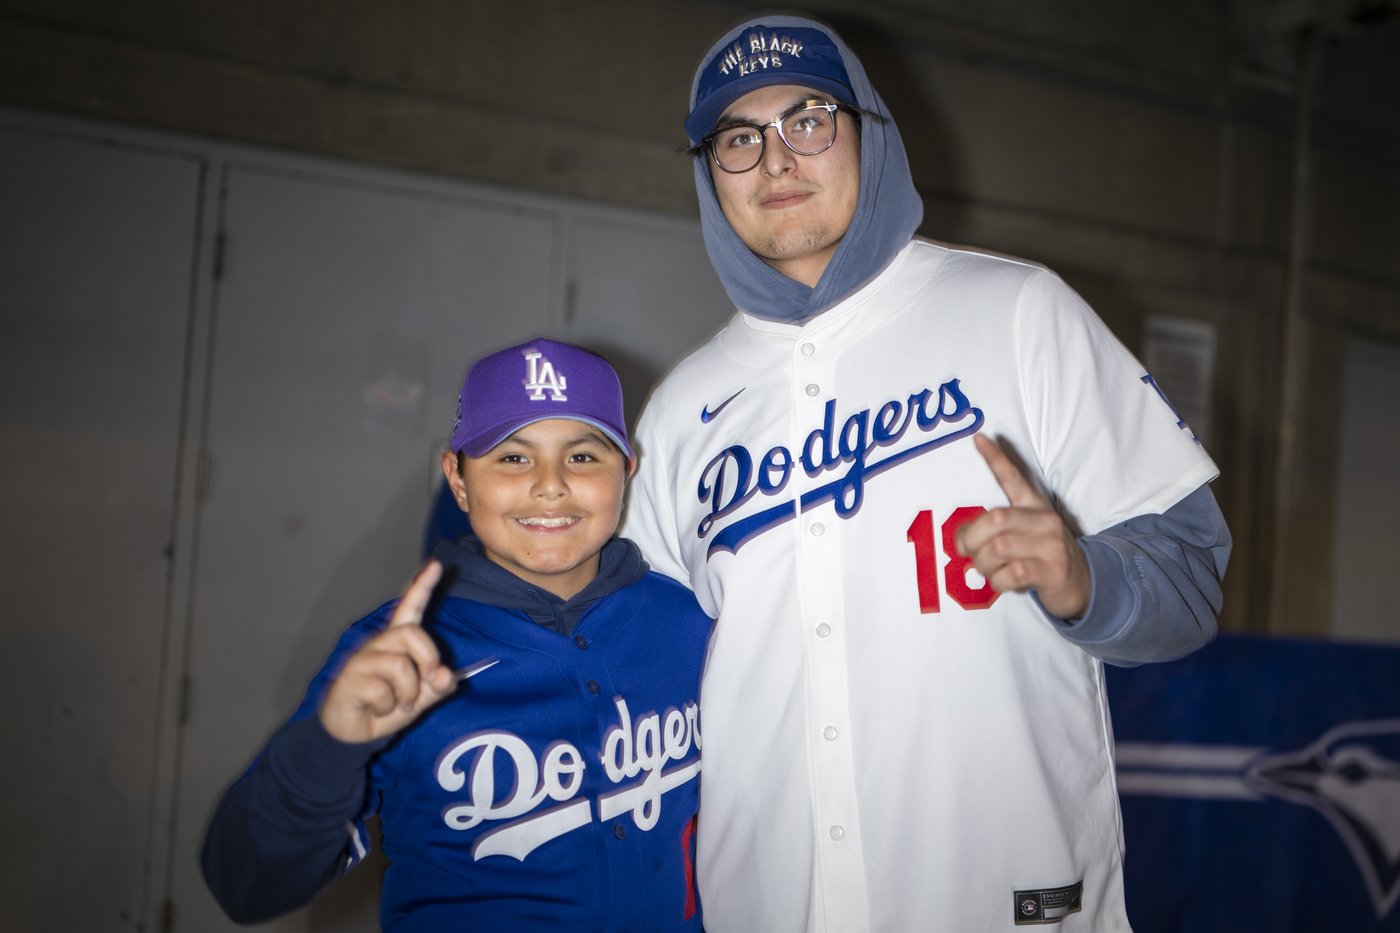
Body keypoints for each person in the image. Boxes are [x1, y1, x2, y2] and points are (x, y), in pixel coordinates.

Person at [620, 13, 1231, 932]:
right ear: (710, 173)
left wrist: (1082, 579)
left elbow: (1190, 573)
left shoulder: (1020, 313)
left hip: (1007, 902)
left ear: (870, 130)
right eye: (738, 138)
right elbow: (637, 676)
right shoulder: (682, 410)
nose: (776, 159)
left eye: (809, 118)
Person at [202, 337, 710, 930]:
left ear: (627, 472)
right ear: (459, 480)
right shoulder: (400, 653)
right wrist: (329, 745)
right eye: (513, 458)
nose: (550, 485)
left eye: (582, 456)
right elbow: (248, 885)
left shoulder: (691, 619)